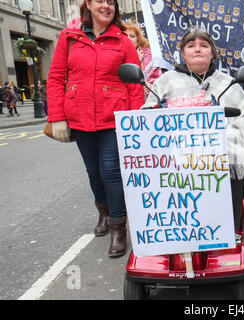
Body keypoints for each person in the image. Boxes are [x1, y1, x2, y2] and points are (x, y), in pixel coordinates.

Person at [47, 0, 145, 257]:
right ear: (88, 5)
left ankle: (118, 228)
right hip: (79, 117)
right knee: (93, 172)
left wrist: (136, 121)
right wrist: (57, 116)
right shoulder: (69, 37)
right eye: (100, 1)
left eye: (111, 2)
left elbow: (135, 84)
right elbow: (56, 77)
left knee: (111, 171)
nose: (107, 6)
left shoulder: (122, 40)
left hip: (115, 117)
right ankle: (103, 212)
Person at [142, 27, 244, 232]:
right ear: (183, 53)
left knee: (236, 158)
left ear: (212, 53)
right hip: (174, 148)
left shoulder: (227, 83)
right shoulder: (165, 81)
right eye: (191, 46)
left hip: (220, 148)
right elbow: (145, 117)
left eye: (203, 46)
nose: (197, 50)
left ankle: (229, 230)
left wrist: (227, 132)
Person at [125, 21, 172, 96]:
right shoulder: (117, 57)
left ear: (138, 39)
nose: (128, 39)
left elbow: (161, 86)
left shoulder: (150, 57)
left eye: (132, 36)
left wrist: (150, 86)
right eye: (125, 36)